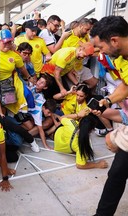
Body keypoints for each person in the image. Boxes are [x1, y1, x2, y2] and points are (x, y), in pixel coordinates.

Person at [89, 15, 128, 216]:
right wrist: (107, 101)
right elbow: (126, 86)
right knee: (117, 173)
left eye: (100, 47)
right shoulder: (121, 58)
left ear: (114, 40)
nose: (99, 52)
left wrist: (118, 138)